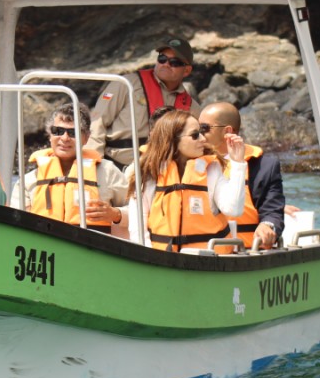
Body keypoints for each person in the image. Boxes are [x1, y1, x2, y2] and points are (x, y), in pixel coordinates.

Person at [135, 109, 247, 253]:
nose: (203, 139)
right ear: (173, 139)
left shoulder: (211, 169)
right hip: (161, 261)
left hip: (208, 262)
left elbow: (234, 209)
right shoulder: (148, 174)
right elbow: (138, 228)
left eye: (201, 132)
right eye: (195, 135)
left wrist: (238, 163)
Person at [86, 35, 199, 169]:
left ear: (186, 70)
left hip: (161, 175)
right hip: (116, 168)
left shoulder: (192, 108)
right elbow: (97, 124)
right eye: (162, 58)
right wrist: (93, 166)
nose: (166, 64)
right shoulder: (126, 85)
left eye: (175, 62)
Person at [16, 102, 128, 233]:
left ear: (86, 138)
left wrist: (116, 214)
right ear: (50, 135)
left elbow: (138, 211)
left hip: (92, 248)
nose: (64, 138)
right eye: (58, 131)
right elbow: (15, 222)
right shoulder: (28, 180)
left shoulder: (108, 172)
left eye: (73, 133)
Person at [197, 102, 286, 249]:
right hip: (202, 250)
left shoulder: (264, 167)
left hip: (246, 251)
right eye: (196, 130)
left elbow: (272, 210)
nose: (199, 135)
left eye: (204, 128)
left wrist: (267, 226)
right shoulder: (191, 162)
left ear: (227, 131)